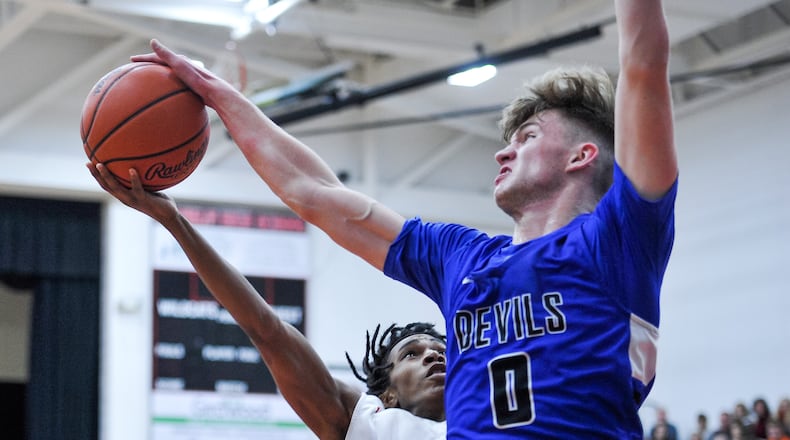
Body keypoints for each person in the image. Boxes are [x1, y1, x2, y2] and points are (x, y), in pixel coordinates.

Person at [129, 0, 677, 436]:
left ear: (582, 156)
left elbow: (644, 64)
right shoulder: (462, 258)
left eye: (527, 138)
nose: (502, 153)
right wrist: (220, 97)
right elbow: (314, 192)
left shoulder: (618, 239)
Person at [86, 163, 447, 440]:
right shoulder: (369, 422)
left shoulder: (495, 419)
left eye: (442, 351)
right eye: (411, 354)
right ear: (388, 394)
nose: (434, 355)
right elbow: (267, 330)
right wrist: (175, 221)